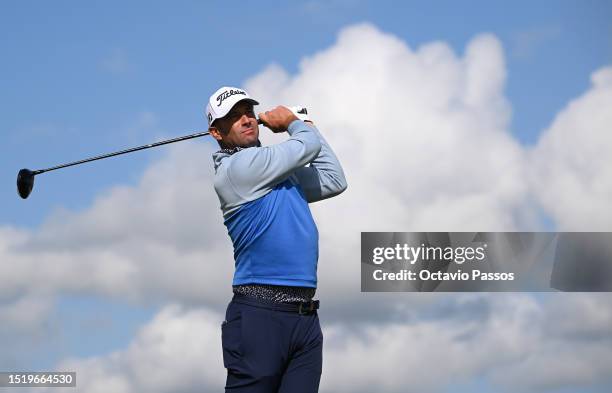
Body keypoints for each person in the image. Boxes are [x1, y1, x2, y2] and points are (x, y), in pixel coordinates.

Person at [206, 86, 347, 392]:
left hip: (305, 319)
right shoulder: (237, 171)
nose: (246, 120)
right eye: (233, 117)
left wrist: (307, 127)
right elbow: (305, 148)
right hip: (260, 316)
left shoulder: (281, 174)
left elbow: (334, 179)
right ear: (216, 133)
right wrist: (293, 123)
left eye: (248, 113)